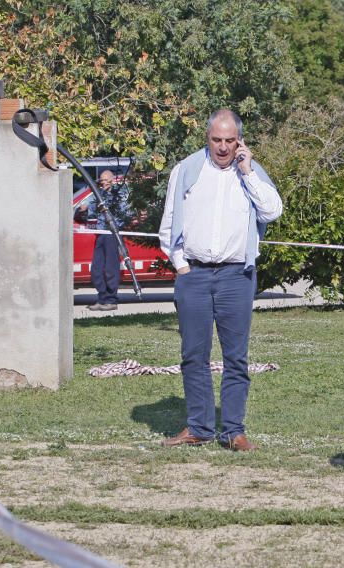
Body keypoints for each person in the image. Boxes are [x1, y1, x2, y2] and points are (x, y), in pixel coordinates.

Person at [158, 109, 283, 452]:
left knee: (236, 357)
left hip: (236, 276)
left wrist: (248, 172)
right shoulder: (186, 170)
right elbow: (168, 224)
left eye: (230, 140)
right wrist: (181, 265)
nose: (223, 147)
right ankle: (199, 427)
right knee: (193, 355)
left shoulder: (251, 172)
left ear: (239, 140)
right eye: (217, 140)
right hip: (194, 275)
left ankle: (233, 431)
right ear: (207, 138)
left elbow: (272, 211)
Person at [80, 170, 133, 311]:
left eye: (106, 180)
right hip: (101, 233)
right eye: (101, 180)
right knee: (97, 269)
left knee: (111, 268)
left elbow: (126, 213)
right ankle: (102, 298)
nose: (103, 182)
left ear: (112, 179)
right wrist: (83, 208)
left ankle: (111, 300)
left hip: (112, 233)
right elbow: (86, 207)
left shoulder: (119, 195)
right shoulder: (98, 194)